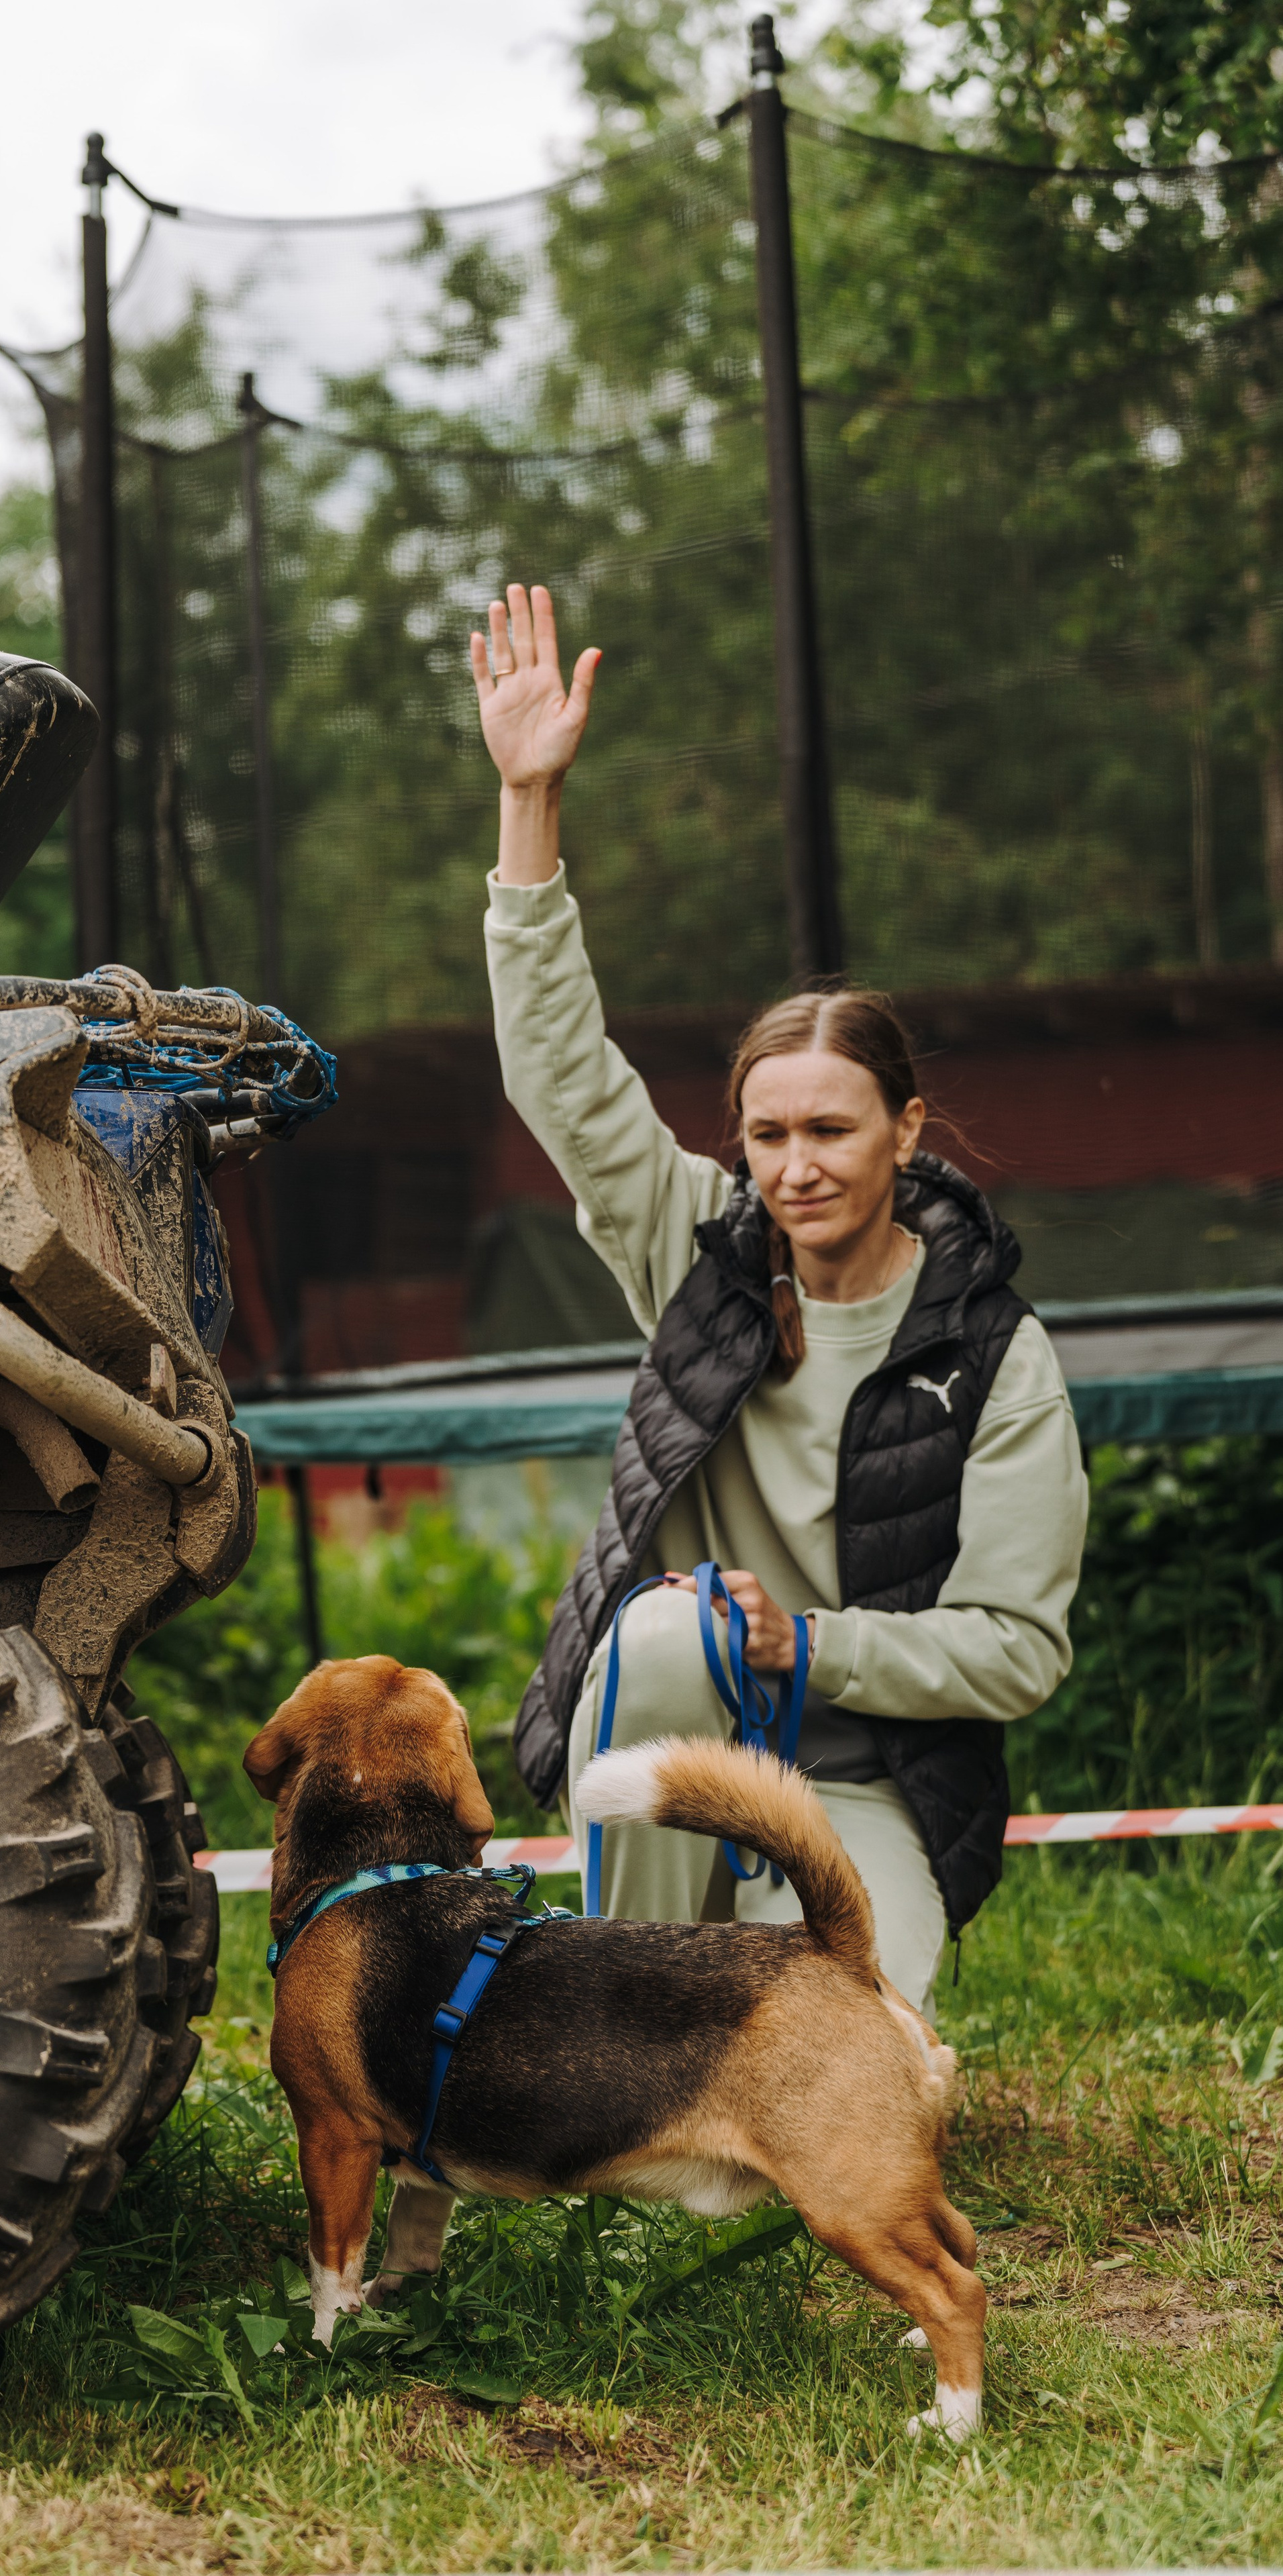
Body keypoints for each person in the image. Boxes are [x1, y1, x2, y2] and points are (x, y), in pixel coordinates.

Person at [472, 582, 1088, 2012]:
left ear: (904, 1130)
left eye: (830, 1129)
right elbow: (558, 1074)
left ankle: (762, 1993)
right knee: (665, 1630)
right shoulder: (696, 1241)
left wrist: (804, 1647)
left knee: (847, 2061)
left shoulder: (992, 1354)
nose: (794, 1166)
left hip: (866, 1768)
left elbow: (1015, 1648)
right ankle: (625, 1994)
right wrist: (527, 805)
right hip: (688, 1720)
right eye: (767, 1133)